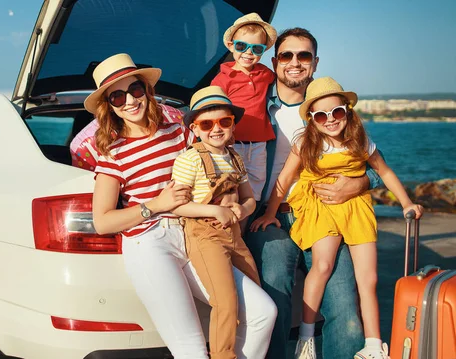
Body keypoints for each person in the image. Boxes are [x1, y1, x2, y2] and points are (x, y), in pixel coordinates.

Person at [88, 53, 276, 359]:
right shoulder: (113, 153)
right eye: (117, 97)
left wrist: (233, 201)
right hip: (149, 245)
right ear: (109, 106)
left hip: (196, 233)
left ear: (147, 91)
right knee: (191, 349)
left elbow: (214, 159)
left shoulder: (178, 132)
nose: (129, 101)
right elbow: (103, 221)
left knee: (263, 313)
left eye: (135, 90)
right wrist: (155, 205)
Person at [252, 77, 424, 359]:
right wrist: (271, 212)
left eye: (337, 112)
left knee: (368, 279)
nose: (330, 119)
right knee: (322, 265)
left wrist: (407, 202)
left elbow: (385, 172)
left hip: (356, 209)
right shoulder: (307, 142)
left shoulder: (361, 141)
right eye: (321, 115)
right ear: (312, 119)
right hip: (321, 209)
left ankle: (373, 345)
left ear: (347, 110)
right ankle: (306, 338)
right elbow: (284, 179)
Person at [244, 28, 384, 359]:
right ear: (275, 62)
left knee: (346, 310)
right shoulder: (254, 107)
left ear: (315, 62)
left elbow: (373, 164)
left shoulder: (333, 109)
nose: (295, 63)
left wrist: (362, 183)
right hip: (275, 216)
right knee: (274, 295)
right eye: (287, 56)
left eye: (303, 55)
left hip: (328, 215)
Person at [171, 86, 276, 359]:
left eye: (224, 122)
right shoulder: (189, 159)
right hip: (205, 237)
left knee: (255, 295)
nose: (216, 129)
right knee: (226, 303)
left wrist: (242, 209)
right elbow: (178, 204)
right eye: (207, 124)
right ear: (195, 129)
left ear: (232, 124)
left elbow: (250, 199)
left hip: (234, 236)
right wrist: (216, 212)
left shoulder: (234, 158)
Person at [212, 13, 277, 211]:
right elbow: (215, 111)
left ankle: (244, 231)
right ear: (231, 46)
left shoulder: (265, 74)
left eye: (257, 49)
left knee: (255, 189)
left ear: (263, 51)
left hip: (258, 145)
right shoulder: (222, 79)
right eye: (242, 46)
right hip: (232, 143)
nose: (249, 53)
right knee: (230, 189)